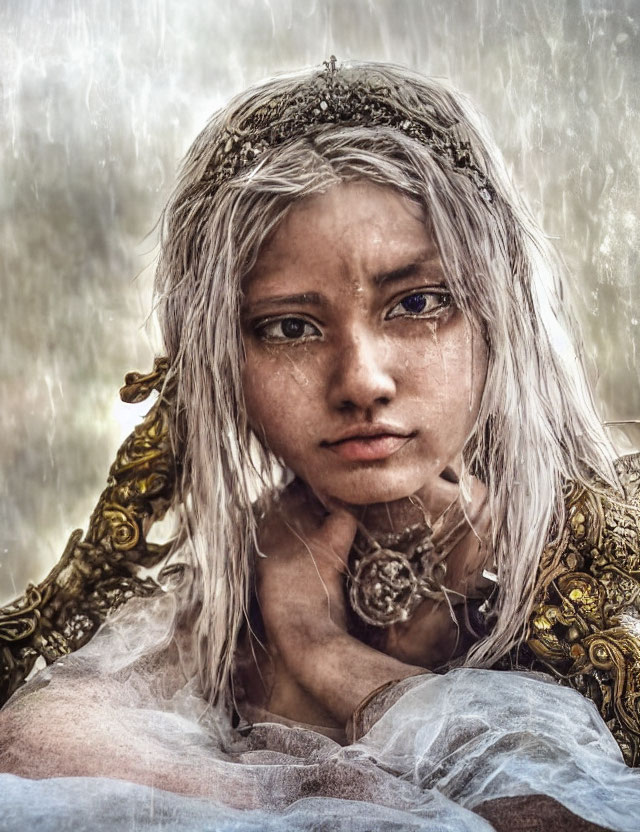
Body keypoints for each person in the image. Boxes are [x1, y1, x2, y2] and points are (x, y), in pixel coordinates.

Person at [1, 58, 639, 832]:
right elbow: (35, 749)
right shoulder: (237, 579)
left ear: (496, 322)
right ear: (223, 365)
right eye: (290, 326)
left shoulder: (599, 572)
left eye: (418, 303)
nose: (361, 380)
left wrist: (321, 649)